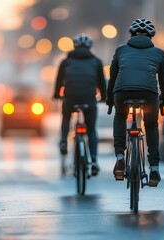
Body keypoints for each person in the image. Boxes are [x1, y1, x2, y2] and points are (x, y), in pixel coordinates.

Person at [106, 18, 164, 187]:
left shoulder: (120, 51)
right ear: (151, 36)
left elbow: (113, 78)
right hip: (148, 93)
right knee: (151, 125)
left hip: (122, 92)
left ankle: (120, 158)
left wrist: (109, 100)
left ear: (131, 34)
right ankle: (155, 168)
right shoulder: (159, 53)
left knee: (120, 116)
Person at [53, 33, 106, 176]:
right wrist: (104, 98)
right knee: (91, 130)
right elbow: (101, 82)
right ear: (90, 47)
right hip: (89, 99)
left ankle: (64, 141)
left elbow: (59, 81)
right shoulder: (96, 62)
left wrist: (57, 95)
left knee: (66, 117)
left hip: (70, 98)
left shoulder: (66, 62)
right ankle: (94, 160)